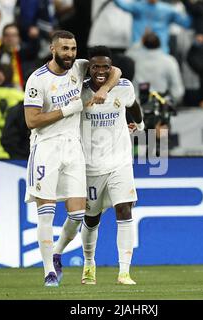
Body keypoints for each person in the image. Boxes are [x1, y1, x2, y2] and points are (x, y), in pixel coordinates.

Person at [23, 30, 122, 287]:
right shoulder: (37, 79)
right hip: (46, 148)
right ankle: (49, 272)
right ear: (52, 49)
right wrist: (69, 109)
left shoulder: (79, 68)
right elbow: (31, 120)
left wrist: (105, 90)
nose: (70, 54)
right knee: (46, 213)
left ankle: (56, 252)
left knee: (78, 214)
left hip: (73, 148)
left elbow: (116, 71)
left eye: (73, 48)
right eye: (65, 49)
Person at [76, 46, 144, 285]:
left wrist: (140, 123)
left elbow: (133, 104)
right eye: (96, 66)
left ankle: (124, 271)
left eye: (106, 66)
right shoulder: (79, 91)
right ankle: (88, 263)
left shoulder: (123, 86)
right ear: (89, 68)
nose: (101, 71)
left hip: (120, 161)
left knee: (124, 210)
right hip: (90, 166)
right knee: (92, 218)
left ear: (111, 67)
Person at [113, 0, 192, 54]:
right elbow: (122, 5)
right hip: (139, 51)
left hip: (159, 52)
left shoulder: (168, 10)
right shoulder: (139, 7)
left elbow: (187, 23)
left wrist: (192, 7)